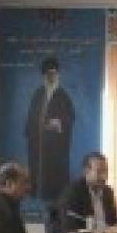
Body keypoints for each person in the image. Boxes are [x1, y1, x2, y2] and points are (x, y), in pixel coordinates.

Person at [25, 57, 75, 201]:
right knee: (36, 169)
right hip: (38, 142)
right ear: (44, 76)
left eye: (53, 74)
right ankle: (36, 193)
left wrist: (58, 123)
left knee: (54, 173)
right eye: (48, 74)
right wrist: (33, 129)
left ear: (57, 75)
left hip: (55, 144)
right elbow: (31, 116)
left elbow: (70, 117)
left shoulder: (63, 96)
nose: (51, 77)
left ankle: (53, 196)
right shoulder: (38, 94)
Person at [60, 152, 117, 233]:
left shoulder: (108, 192)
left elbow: (114, 223)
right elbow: (70, 227)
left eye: (106, 171)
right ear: (86, 171)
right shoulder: (73, 193)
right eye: (99, 171)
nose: (104, 176)